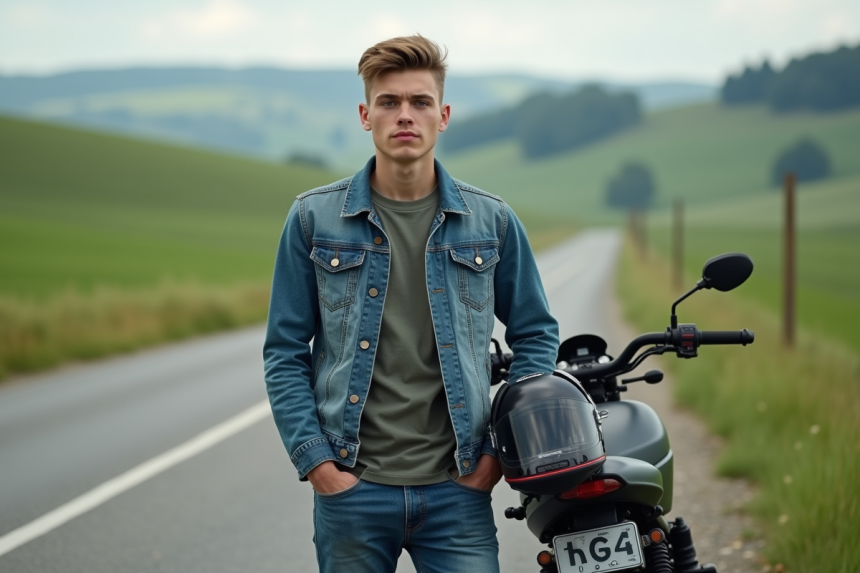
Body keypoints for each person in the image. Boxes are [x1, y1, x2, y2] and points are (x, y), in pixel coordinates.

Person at [263, 35, 559, 573]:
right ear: (365, 114)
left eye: (420, 102)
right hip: (352, 490)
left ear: (443, 115)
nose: (405, 115)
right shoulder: (312, 219)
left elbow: (536, 335)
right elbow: (284, 350)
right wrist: (318, 465)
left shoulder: (491, 221)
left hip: (458, 488)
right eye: (389, 102)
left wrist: (496, 452)